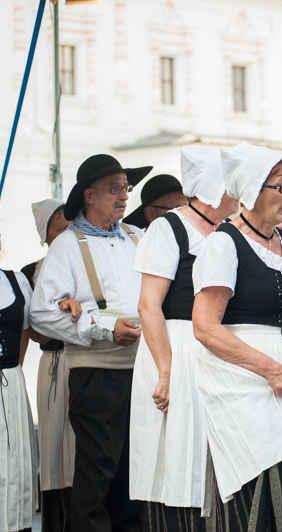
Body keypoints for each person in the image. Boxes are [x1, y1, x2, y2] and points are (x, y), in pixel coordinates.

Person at [192, 141, 282, 529]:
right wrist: (270, 368)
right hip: (244, 380)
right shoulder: (224, 244)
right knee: (260, 479)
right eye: (281, 186)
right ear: (253, 190)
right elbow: (205, 326)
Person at [31, 154, 151, 531]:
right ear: (90, 195)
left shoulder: (138, 237)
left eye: (126, 188)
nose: (125, 196)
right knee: (97, 473)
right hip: (98, 372)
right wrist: (102, 327)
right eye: (115, 188)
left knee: (135, 474)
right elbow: (41, 313)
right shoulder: (67, 245)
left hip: (145, 371)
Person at [128, 147, 239, 529]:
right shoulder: (168, 229)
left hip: (219, 347)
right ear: (212, 188)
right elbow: (148, 306)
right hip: (178, 346)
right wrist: (166, 371)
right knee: (178, 451)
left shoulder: (231, 230)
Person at [21, 199, 75, 532]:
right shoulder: (31, 272)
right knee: (55, 448)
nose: (68, 231)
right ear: (46, 233)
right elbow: (33, 329)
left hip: (89, 360)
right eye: (60, 226)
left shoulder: (84, 261)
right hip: (54, 363)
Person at [0, 234, 39, 532]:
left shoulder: (16, 282)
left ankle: (13, 524)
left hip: (10, 382)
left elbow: (30, 330)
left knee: (13, 461)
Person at [123, 174, 188, 229]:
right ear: (151, 214)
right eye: (175, 208)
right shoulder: (142, 240)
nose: (186, 214)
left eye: (187, 207)